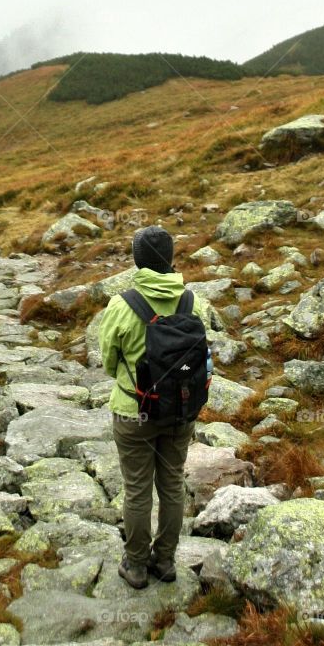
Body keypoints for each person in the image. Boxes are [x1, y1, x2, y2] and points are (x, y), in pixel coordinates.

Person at [98, 225, 213, 589]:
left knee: (136, 490)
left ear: (137, 260)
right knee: (172, 486)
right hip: (180, 411)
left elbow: (108, 361)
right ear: (171, 258)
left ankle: (135, 565)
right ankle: (164, 561)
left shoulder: (121, 305)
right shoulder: (194, 302)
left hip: (134, 412)